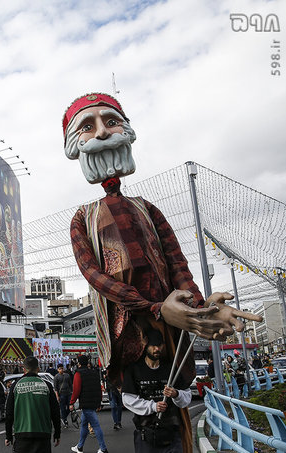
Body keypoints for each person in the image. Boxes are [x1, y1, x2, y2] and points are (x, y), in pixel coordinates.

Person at [61, 92, 262, 451]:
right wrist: (155, 308)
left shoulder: (147, 209)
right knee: (145, 403)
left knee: (176, 401)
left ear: (127, 130)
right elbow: (95, 276)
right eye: (88, 127)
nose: (103, 133)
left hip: (171, 328)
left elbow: (177, 265)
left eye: (111, 121)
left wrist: (202, 309)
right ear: (74, 144)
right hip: (127, 332)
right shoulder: (83, 217)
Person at [122, 330, 191, 453]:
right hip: (146, 434)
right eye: (153, 345)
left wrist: (176, 394)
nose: (157, 349)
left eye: (159, 345)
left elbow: (187, 396)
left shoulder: (171, 369)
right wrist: (153, 406)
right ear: (145, 345)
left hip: (171, 435)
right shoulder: (134, 370)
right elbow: (128, 399)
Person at [5, 356, 61, 453]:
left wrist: (8, 436)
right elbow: (55, 412)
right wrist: (57, 433)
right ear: (38, 369)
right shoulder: (46, 385)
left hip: (22, 434)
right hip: (43, 434)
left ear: (24, 369)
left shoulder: (16, 386)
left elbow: (9, 413)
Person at [69, 355, 108, 453]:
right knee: (84, 424)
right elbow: (99, 388)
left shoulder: (78, 374)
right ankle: (80, 447)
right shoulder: (94, 372)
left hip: (85, 403)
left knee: (95, 425)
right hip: (94, 402)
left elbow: (76, 390)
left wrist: (71, 402)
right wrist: (99, 402)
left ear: (79, 363)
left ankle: (103, 449)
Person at [53, 363, 73, 428]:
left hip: (68, 393)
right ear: (57, 369)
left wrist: (72, 392)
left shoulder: (67, 375)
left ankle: (63, 417)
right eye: (60, 369)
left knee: (70, 407)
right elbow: (55, 388)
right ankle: (65, 420)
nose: (61, 370)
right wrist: (57, 396)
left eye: (62, 368)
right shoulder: (56, 377)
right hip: (61, 394)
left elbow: (70, 384)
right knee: (63, 408)